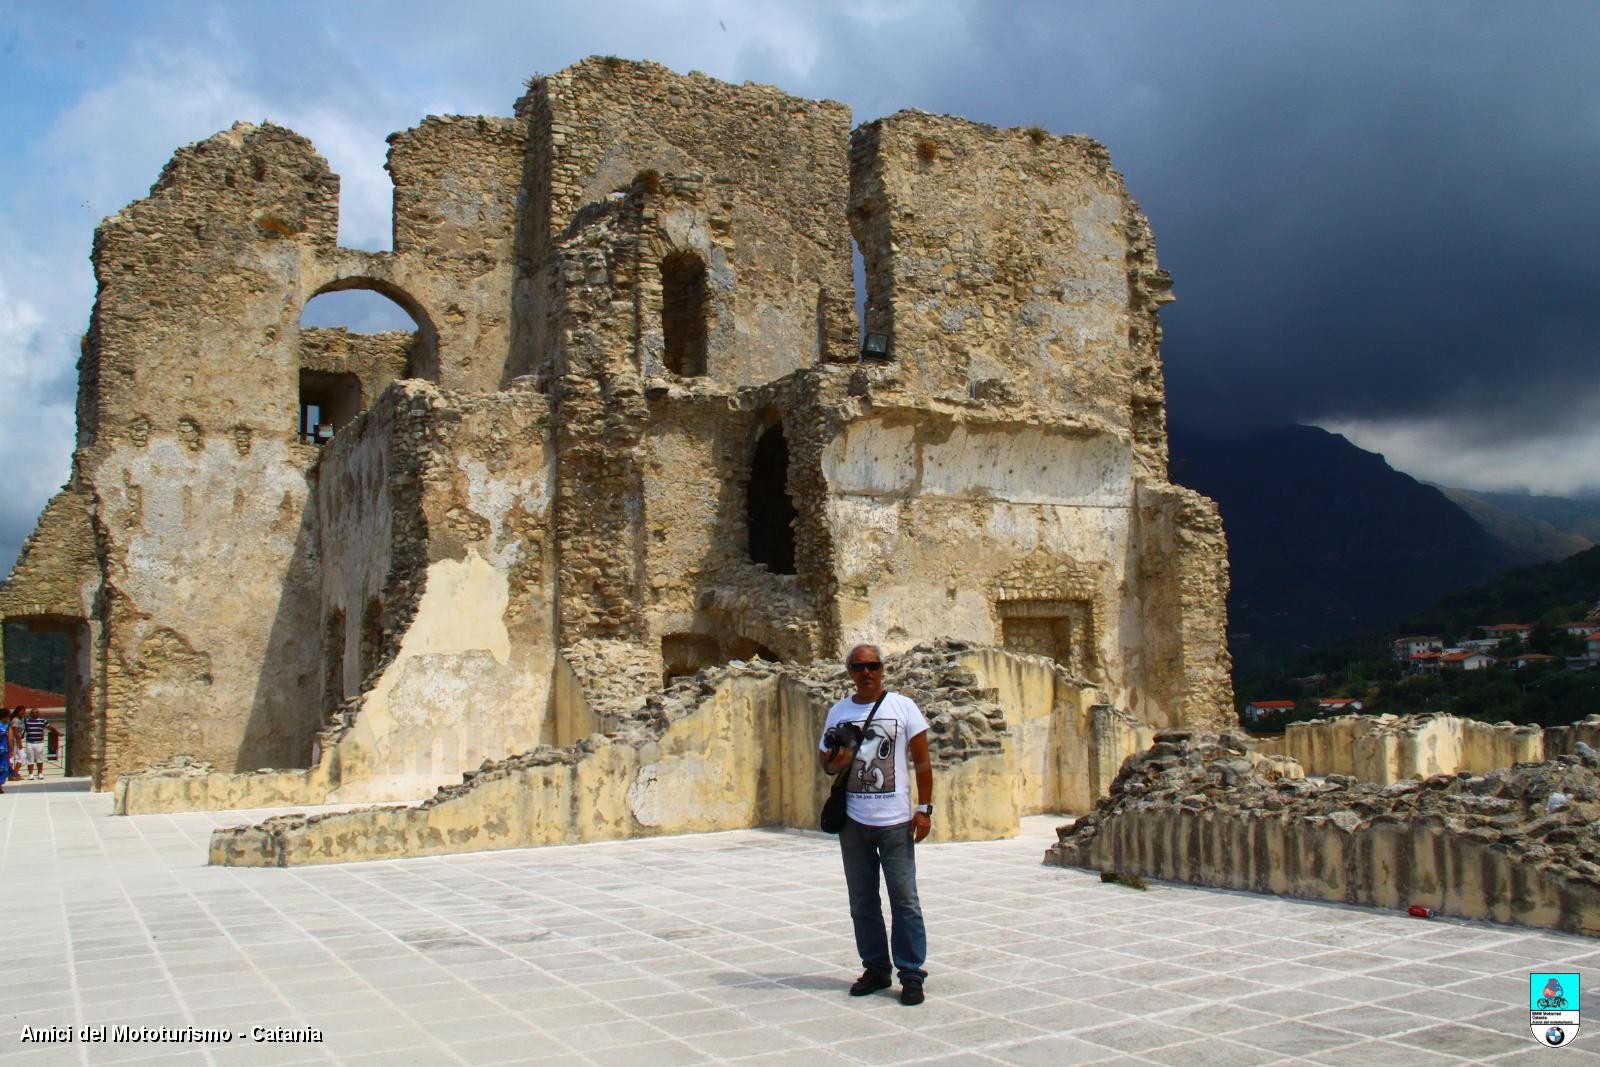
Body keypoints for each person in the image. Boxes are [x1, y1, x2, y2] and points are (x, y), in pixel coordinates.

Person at [818, 643, 933, 1006]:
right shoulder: (839, 711)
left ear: (883, 669)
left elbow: (923, 762)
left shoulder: (903, 707)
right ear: (849, 671)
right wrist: (840, 760)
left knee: (905, 899)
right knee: (862, 901)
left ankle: (911, 972)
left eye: (873, 665)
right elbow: (826, 763)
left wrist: (925, 809)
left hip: (896, 821)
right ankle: (876, 968)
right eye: (858, 666)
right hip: (854, 821)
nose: (866, 672)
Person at [21, 708, 47, 780]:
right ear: (30, 714)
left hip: (40, 742)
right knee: (30, 759)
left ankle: (40, 773)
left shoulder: (43, 721)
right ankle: (30, 774)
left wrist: (57, 733)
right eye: (33, 713)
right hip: (30, 742)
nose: (35, 714)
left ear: (38, 714)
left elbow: (49, 727)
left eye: (36, 713)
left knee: (40, 758)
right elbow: (20, 727)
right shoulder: (26, 721)